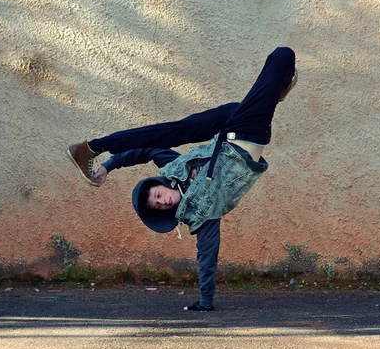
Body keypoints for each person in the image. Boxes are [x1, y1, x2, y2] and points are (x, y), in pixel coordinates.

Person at [67, 47, 297, 311]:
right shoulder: (201, 215)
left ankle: (91, 148)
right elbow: (207, 255)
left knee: (167, 132)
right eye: (158, 205)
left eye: (156, 194)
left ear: (160, 185)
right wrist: (205, 301)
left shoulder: (173, 168)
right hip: (247, 135)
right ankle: (276, 91)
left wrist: (108, 166)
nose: (161, 201)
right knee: (282, 56)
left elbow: (145, 150)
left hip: (226, 124)